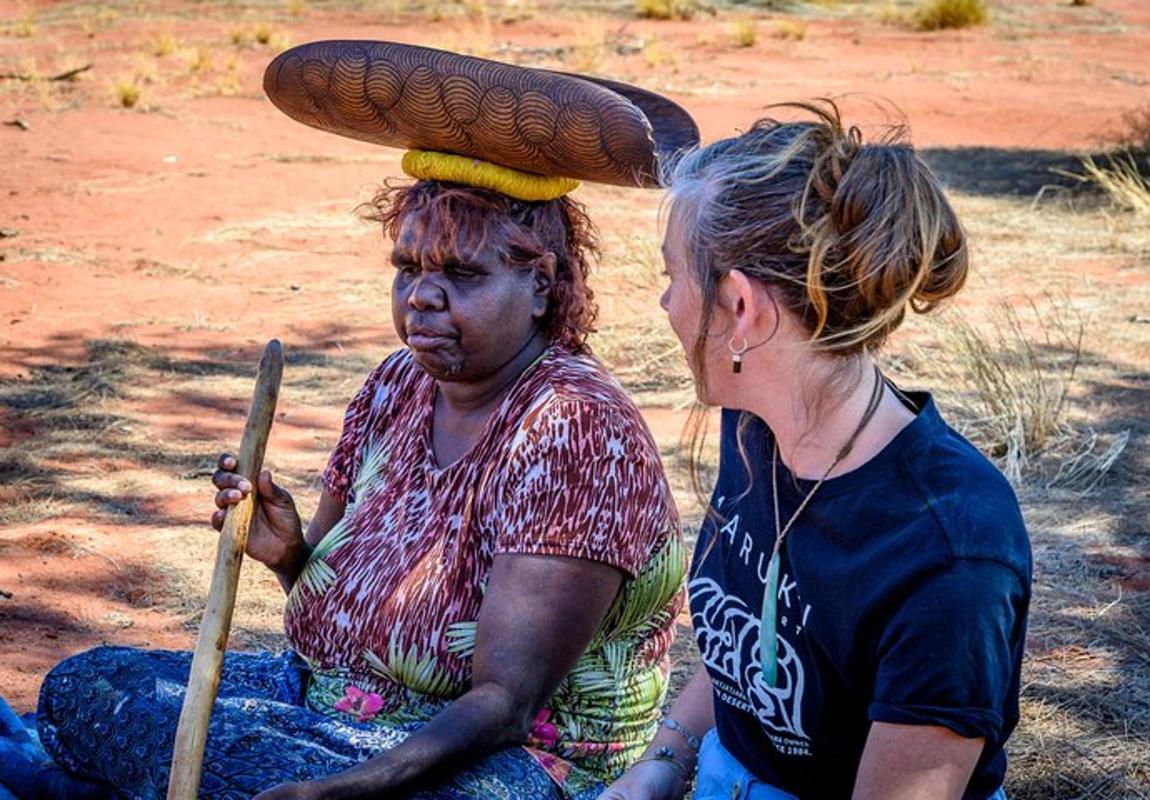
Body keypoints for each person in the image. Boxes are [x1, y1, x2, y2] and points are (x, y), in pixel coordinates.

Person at [1, 178, 685, 800]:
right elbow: (333, 623)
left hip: (507, 765)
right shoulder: (399, 382)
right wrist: (292, 555)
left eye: (460, 273)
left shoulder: (574, 427)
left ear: (540, 286)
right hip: (333, 707)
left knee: (241, 766)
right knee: (85, 687)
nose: (421, 295)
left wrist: (344, 792)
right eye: (408, 269)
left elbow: (504, 705)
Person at [601, 102, 1032, 800]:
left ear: (741, 309)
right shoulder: (758, 424)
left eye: (674, 274)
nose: (666, 303)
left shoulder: (951, 554)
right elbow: (752, 642)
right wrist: (661, 763)